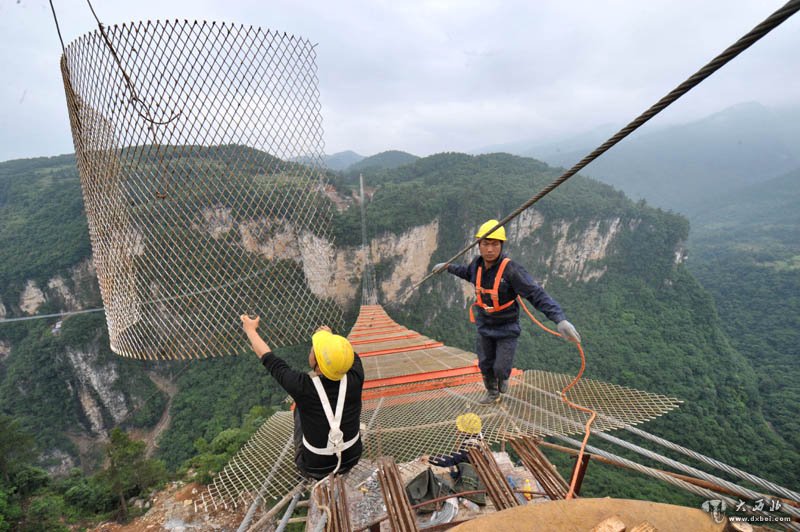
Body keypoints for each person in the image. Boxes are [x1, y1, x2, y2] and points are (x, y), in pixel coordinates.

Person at [433, 219, 581, 404]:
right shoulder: (476, 266)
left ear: (501, 245)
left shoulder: (511, 270)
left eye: (495, 244)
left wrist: (559, 319)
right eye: (485, 244)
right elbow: (465, 272)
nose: (489, 249)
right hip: (485, 325)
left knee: (501, 368)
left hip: (507, 328)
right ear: (478, 245)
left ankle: (503, 377)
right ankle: (492, 393)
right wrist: (448, 267)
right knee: (485, 364)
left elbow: (536, 294)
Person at [241, 316, 364, 479]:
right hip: (352, 457)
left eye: (313, 349)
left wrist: (250, 330)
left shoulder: (301, 386)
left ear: (318, 362)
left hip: (314, 467)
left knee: (300, 407)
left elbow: (268, 358)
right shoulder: (356, 375)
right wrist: (330, 339)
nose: (311, 350)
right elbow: (344, 354)